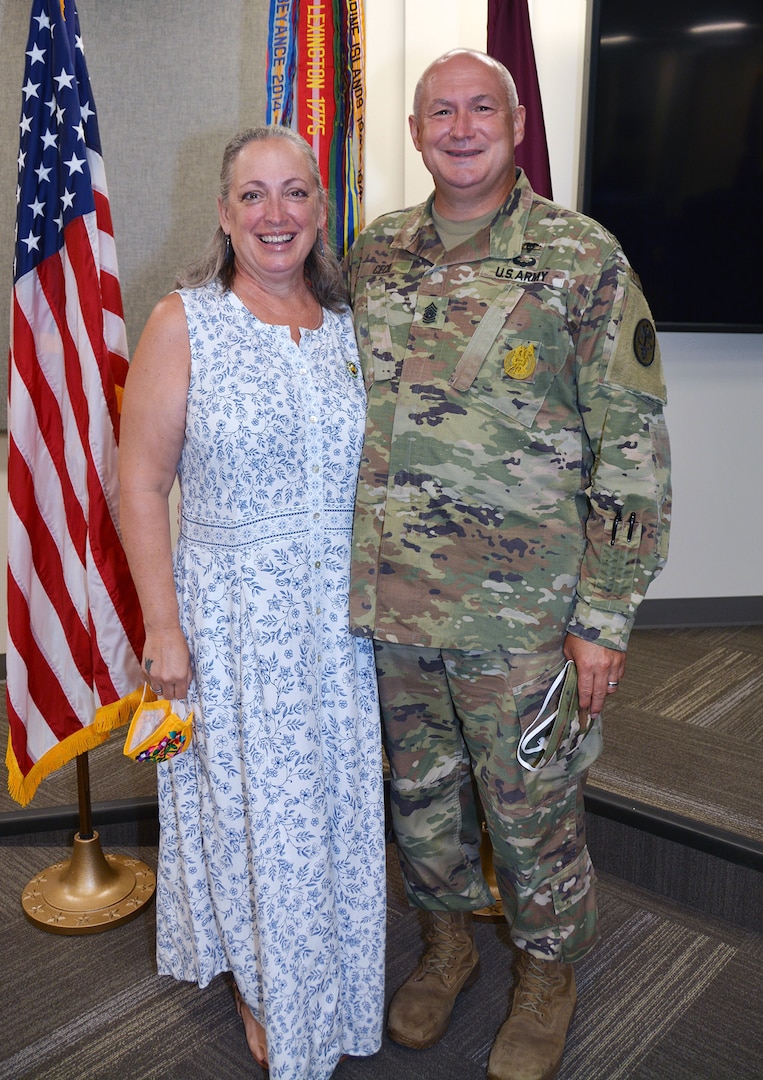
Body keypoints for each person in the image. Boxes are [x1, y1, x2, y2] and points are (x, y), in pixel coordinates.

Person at [344, 49, 671, 1080]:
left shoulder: (581, 257)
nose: (459, 125)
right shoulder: (374, 252)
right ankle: (445, 948)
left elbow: (632, 441)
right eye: (438, 109)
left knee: (532, 810)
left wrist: (604, 616)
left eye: (479, 107)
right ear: (413, 129)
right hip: (393, 604)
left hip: (522, 614)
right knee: (423, 800)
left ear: (515, 122)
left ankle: (546, 971)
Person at [118, 125, 386, 1080]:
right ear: (225, 216)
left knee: (331, 809)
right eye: (253, 196)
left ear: (321, 209)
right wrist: (161, 629)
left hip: (338, 626)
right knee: (252, 813)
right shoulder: (183, 321)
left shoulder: (354, 331)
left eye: (296, 194)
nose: (277, 215)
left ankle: (336, 979)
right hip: (232, 618)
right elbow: (140, 484)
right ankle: (267, 983)